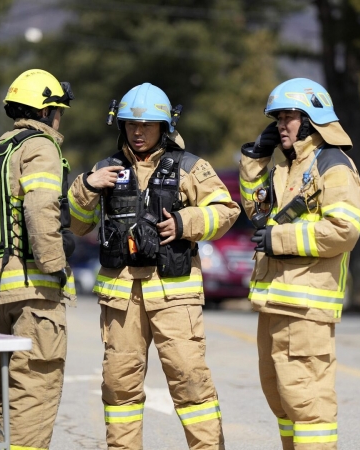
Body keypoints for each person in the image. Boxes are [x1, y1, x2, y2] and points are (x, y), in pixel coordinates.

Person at [68, 83, 239, 449]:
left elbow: (226, 211)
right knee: (119, 386)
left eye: (147, 125)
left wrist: (183, 222)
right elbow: (78, 225)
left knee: (191, 382)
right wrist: (87, 186)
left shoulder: (190, 167)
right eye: (131, 124)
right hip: (121, 299)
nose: (138, 132)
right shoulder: (104, 170)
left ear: (165, 127)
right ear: (121, 126)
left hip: (174, 296)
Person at [238, 78, 360, 450]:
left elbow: (344, 230)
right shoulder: (286, 168)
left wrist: (279, 240)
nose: (281, 125)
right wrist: (255, 158)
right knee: (281, 401)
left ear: (311, 119)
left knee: (308, 406)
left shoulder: (334, 165)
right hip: (275, 302)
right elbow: (255, 211)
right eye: (277, 118)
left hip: (307, 307)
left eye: (288, 116)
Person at [0, 68, 76, 450]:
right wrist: (56, 265)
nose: (59, 120)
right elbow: (40, 209)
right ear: (46, 112)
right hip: (33, 293)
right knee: (34, 392)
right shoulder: (40, 147)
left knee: (4, 392)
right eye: (58, 111)